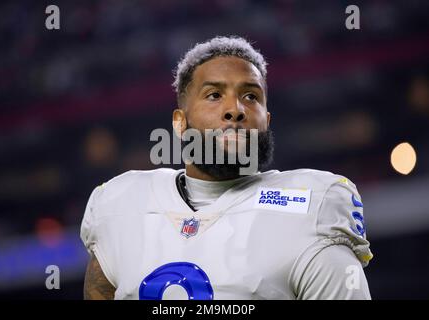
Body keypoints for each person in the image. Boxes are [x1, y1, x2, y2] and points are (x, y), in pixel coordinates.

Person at [81, 36, 373, 300]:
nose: (236, 109)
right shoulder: (119, 205)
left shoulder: (314, 206)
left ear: (266, 121)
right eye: (214, 95)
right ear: (180, 123)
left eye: (251, 96)